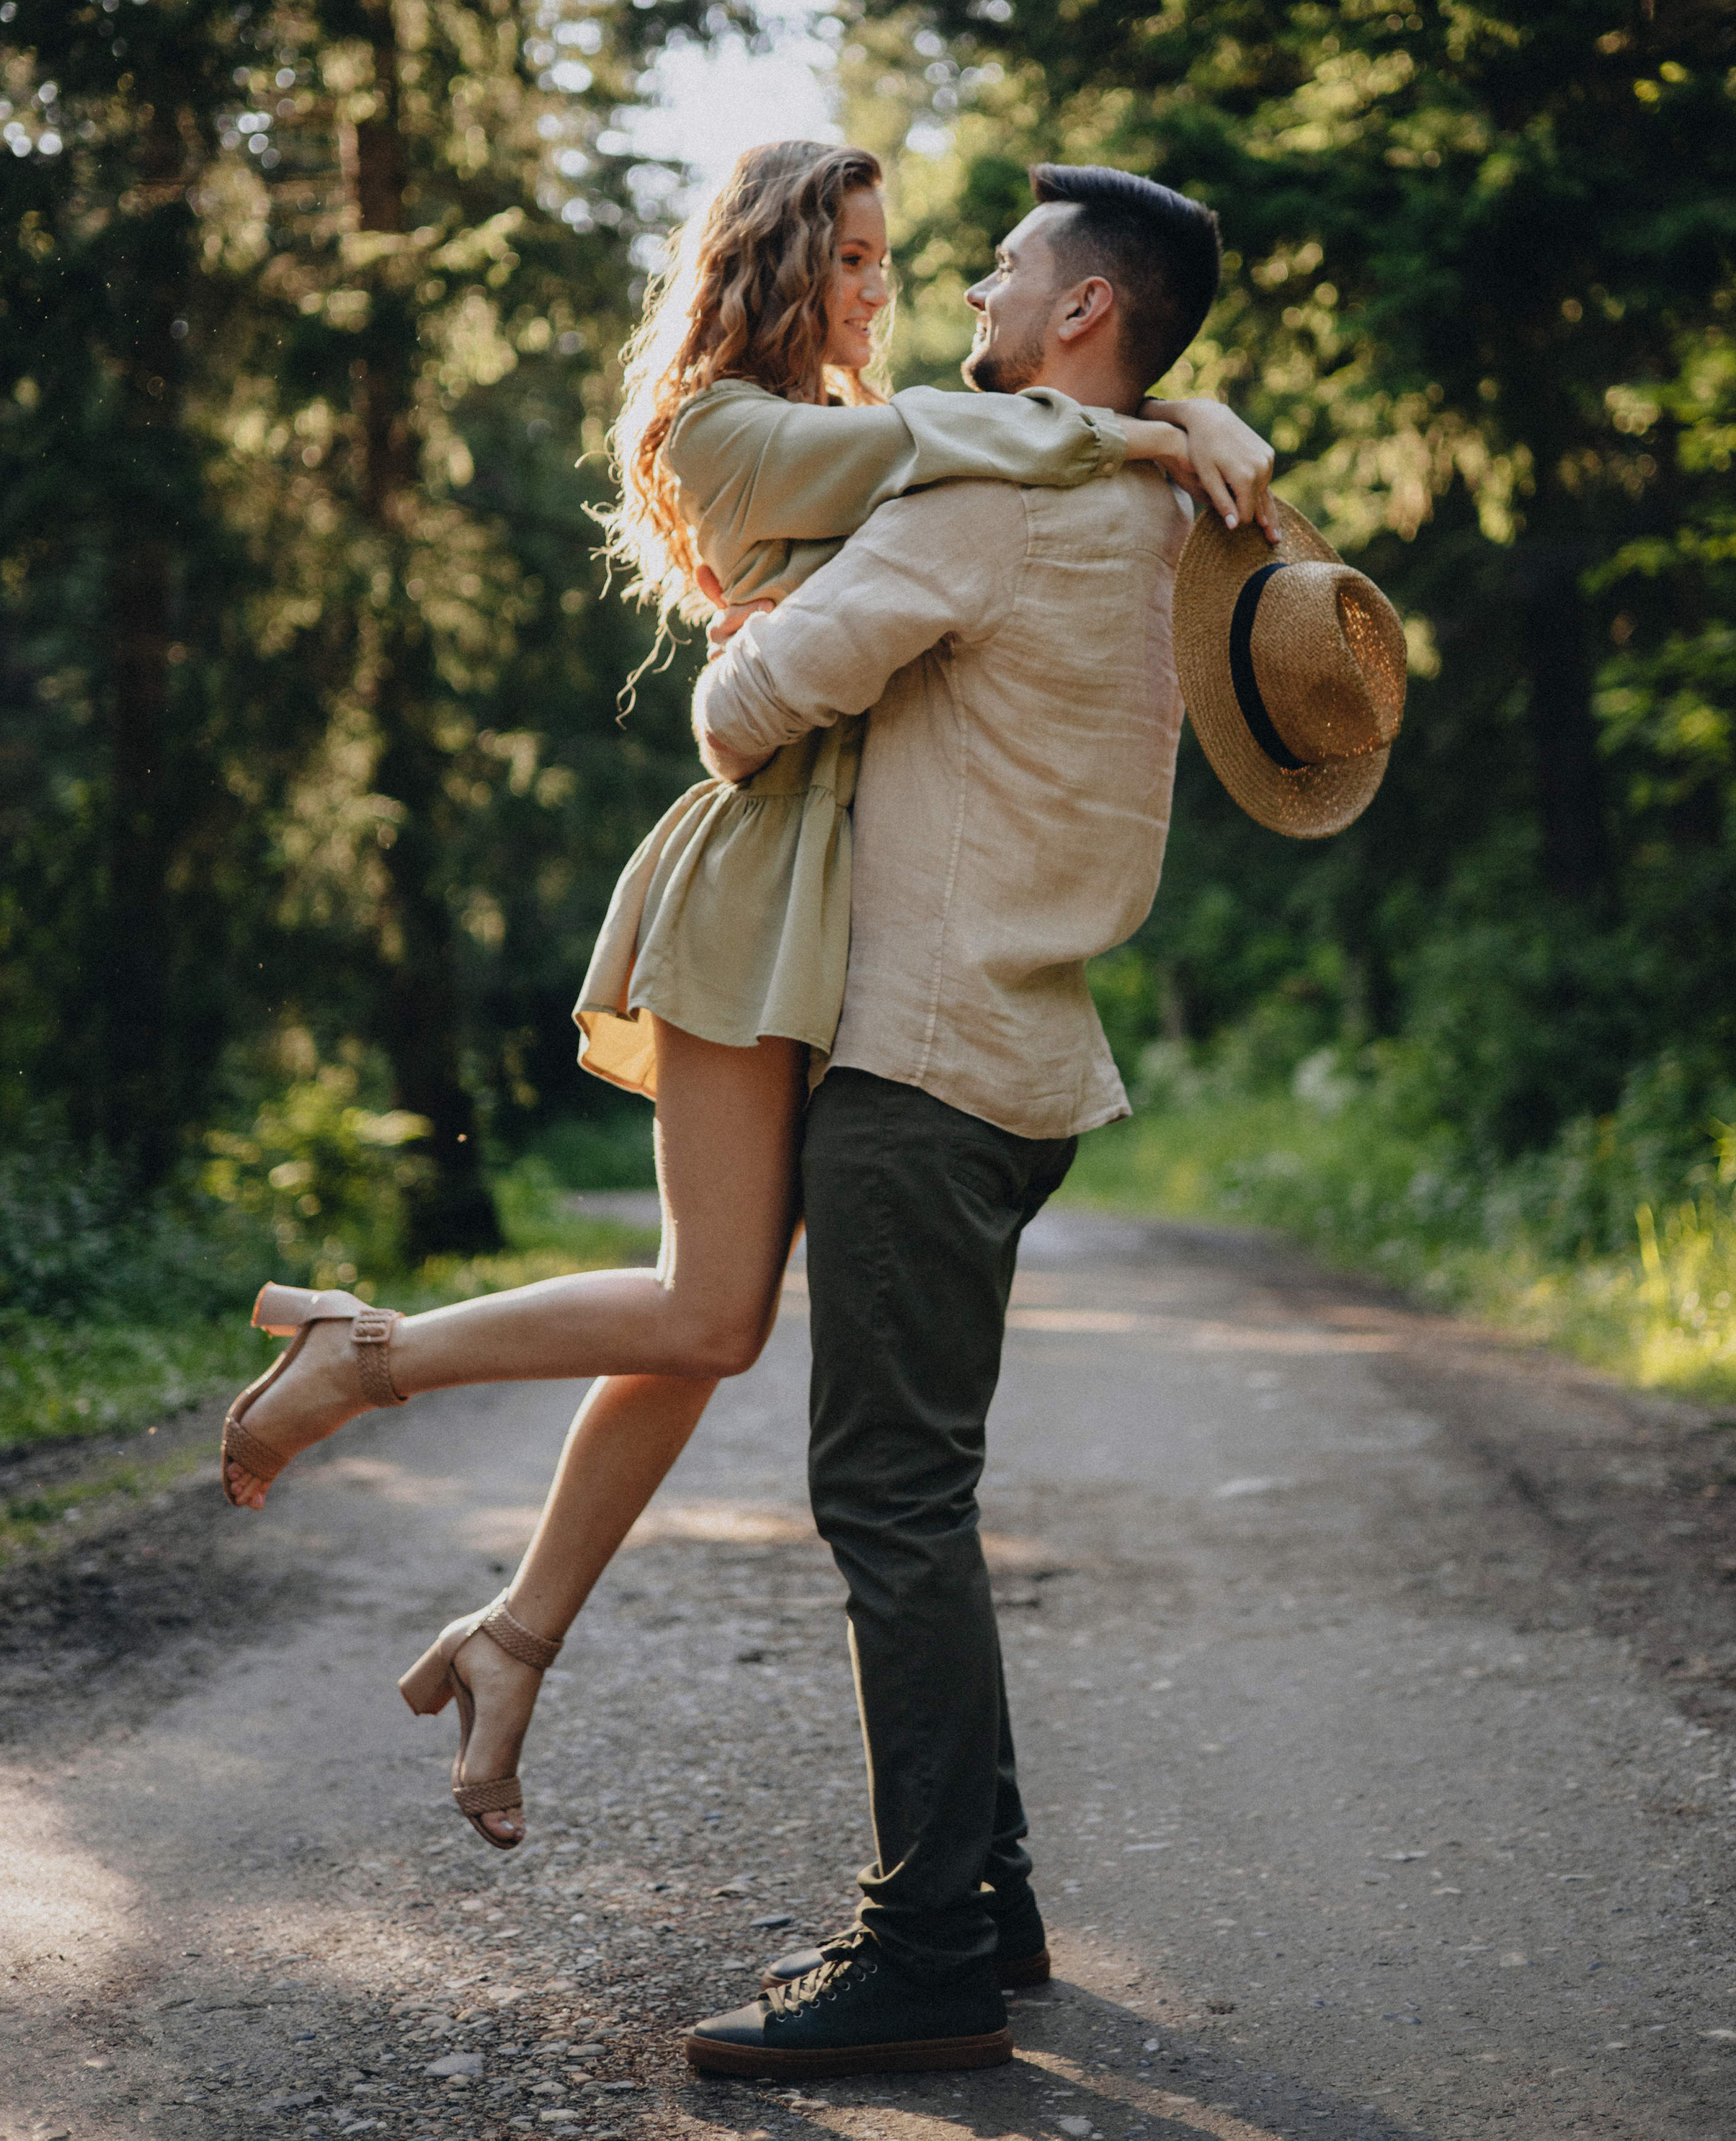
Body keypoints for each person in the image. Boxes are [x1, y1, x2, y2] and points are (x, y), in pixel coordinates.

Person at [218, 141, 1276, 1854]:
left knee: (700, 1318)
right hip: (754, 889)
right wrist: (1176, 423)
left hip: (831, 910)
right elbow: (970, 445)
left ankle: (514, 1634)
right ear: (780, 261)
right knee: (710, 1311)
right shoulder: (736, 425)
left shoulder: (916, 449)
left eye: (900, 258)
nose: (899, 290)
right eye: (858, 258)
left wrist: (1180, 420)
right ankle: (373, 1358)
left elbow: (998, 462)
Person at [682, 163, 1227, 2080]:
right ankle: (985, 1899)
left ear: (1081, 314)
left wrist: (754, 640)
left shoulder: (992, 488)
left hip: (920, 1063)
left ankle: (921, 1957)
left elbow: (754, 710)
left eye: (1001, 270)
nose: (968, 295)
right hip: (1028, 1062)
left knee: (887, 1501)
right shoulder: (1155, 498)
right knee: (927, 1489)